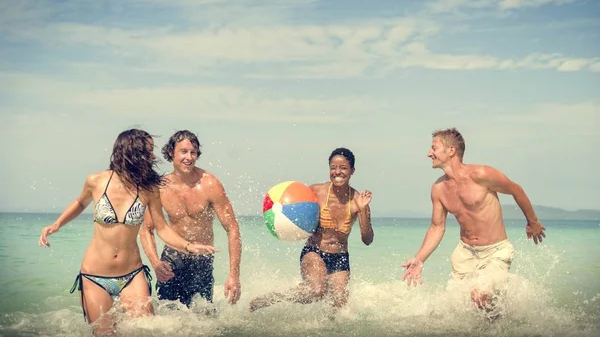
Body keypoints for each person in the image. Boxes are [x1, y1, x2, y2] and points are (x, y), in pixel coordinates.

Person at [38, 129, 217, 336]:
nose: (153, 156)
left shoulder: (149, 189)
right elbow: (80, 202)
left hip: (133, 275)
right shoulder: (96, 181)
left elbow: (162, 228)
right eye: (148, 151)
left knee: (145, 331)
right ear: (131, 152)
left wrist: (188, 246)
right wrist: (57, 224)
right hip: (95, 276)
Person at [401, 128, 546, 316]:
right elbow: (437, 227)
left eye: (434, 148)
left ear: (451, 150)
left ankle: (502, 322)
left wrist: (532, 222)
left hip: (495, 251)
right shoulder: (438, 189)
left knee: (479, 296)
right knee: (459, 309)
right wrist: (419, 259)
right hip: (465, 254)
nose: (429, 153)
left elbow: (516, 190)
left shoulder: (481, 174)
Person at [249, 147, 374, 312]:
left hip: (340, 257)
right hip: (314, 252)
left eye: (343, 168)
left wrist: (363, 209)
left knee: (339, 308)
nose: (337, 172)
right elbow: (296, 208)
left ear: (352, 171)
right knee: (316, 291)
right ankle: (272, 299)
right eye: (333, 167)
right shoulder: (316, 191)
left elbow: (367, 239)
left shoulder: (358, 200)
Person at [140, 130, 242, 309]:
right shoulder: (160, 188)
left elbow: (232, 227)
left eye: (193, 152)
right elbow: (147, 229)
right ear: (171, 152)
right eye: (184, 151)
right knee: (168, 317)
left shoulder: (210, 184)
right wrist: (156, 263)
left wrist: (234, 275)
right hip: (172, 258)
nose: (189, 157)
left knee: (203, 319)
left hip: (202, 260)